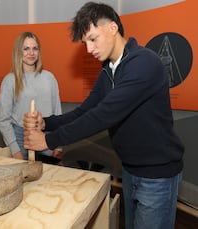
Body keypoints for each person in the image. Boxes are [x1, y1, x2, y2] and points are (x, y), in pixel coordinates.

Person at [23, 2, 184, 229]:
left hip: (157, 176)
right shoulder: (109, 71)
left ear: (112, 28)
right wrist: (46, 122)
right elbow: (84, 111)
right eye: (85, 43)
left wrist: (48, 140)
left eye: (92, 38)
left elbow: (103, 115)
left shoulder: (144, 63)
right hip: (130, 169)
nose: (89, 49)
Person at [0, 31, 62, 161]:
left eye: (35, 48)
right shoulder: (10, 80)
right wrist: (15, 151)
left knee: (49, 177)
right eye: (26, 49)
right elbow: (4, 120)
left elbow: (58, 113)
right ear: (18, 52)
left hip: (47, 136)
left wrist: (59, 146)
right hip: (21, 138)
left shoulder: (49, 78)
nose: (31, 53)